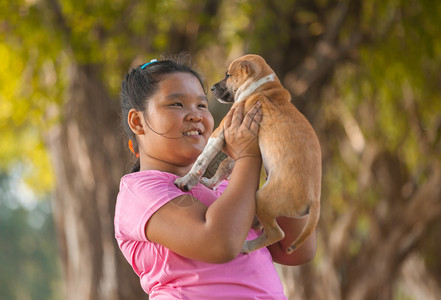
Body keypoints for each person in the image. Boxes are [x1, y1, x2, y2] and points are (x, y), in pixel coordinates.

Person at [114, 55, 316, 299]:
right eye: (176, 104)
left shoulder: (228, 189)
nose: (195, 115)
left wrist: (283, 158)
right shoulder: (141, 192)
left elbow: (295, 250)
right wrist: (248, 158)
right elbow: (221, 243)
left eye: (202, 105)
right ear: (138, 122)